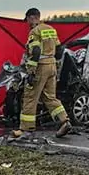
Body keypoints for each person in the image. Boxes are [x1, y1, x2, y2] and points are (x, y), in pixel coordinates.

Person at [13, 8, 71, 139]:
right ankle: (64, 121)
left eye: (28, 20)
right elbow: (60, 49)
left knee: (30, 97)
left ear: (31, 17)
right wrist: (54, 62)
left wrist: (31, 72)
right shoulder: (51, 29)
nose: (28, 23)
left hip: (40, 67)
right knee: (50, 97)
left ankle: (26, 130)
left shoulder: (35, 31)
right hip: (52, 66)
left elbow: (36, 51)